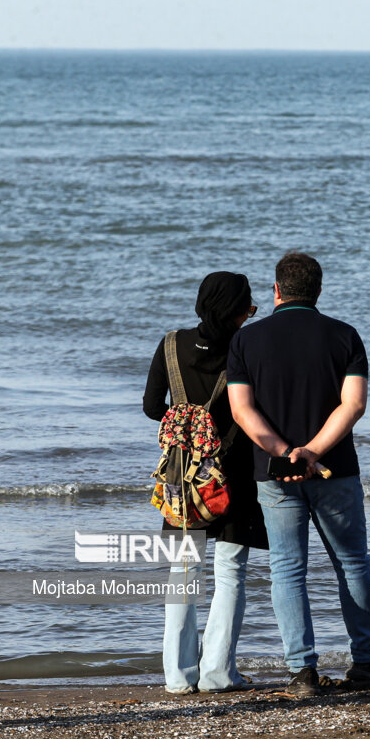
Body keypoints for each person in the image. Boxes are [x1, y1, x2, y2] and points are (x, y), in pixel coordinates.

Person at [227, 252, 370, 697]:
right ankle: (369, 661)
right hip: (334, 469)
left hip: (274, 474)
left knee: (287, 570)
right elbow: (353, 405)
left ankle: (302, 671)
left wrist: (285, 455)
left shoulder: (245, 341)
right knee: (352, 563)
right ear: (318, 291)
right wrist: (314, 451)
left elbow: (242, 410)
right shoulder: (344, 336)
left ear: (276, 290)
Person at [143, 271, 268, 695]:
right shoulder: (245, 347)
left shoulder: (170, 344)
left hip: (182, 476)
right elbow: (254, 410)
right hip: (232, 477)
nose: (249, 317)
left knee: (182, 573)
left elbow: (149, 407)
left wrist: (186, 422)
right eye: (247, 309)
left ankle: (178, 678)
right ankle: (218, 674)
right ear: (234, 312)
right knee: (230, 572)